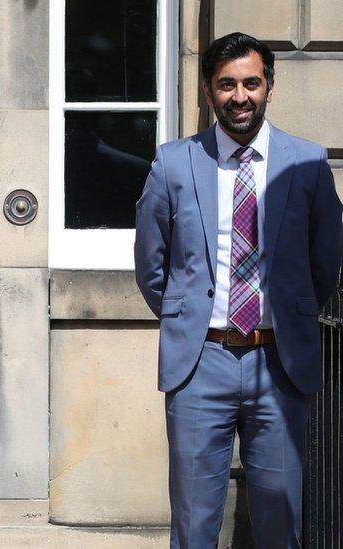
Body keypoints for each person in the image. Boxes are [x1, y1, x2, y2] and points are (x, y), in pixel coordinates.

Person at [134, 32, 343, 548]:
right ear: (209, 91)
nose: (240, 95)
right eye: (226, 84)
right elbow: (150, 265)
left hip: (280, 361)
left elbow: (327, 263)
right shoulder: (174, 163)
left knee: (279, 521)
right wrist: (187, 320)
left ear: (270, 85)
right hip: (200, 361)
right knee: (193, 523)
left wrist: (291, 317)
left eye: (251, 82)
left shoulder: (309, 164)